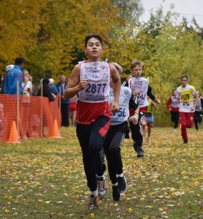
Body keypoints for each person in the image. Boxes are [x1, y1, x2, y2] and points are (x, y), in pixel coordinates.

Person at [64, 33, 121, 210]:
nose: (94, 47)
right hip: (83, 118)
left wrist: (116, 100)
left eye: (97, 44)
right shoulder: (79, 68)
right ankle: (94, 194)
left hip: (102, 114)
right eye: (90, 44)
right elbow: (66, 94)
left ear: (102, 49)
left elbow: (117, 81)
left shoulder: (109, 67)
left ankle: (101, 175)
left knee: (95, 146)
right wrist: (78, 87)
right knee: (87, 156)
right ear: (85, 49)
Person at [104, 62, 139, 201]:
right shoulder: (104, 91)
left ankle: (120, 174)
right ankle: (114, 185)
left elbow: (136, 106)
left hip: (121, 125)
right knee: (109, 157)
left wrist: (136, 115)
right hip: (106, 126)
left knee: (114, 148)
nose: (112, 77)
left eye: (115, 74)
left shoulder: (126, 90)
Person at [123, 59, 160, 157]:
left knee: (138, 123)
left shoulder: (145, 81)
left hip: (143, 105)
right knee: (134, 126)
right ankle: (135, 142)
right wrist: (131, 93)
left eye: (140, 69)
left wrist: (155, 99)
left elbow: (149, 92)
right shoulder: (128, 81)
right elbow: (122, 92)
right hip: (132, 106)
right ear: (131, 70)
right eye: (136, 70)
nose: (138, 71)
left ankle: (138, 146)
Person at [176, 74, 198, 144]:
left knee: (189, 125)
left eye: (185, 80)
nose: (183, 82)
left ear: (187, 81)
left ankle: (185, 132)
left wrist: (194, 106)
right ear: (180, 80)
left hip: (190, 108)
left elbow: (196, 96)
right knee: (183, 124)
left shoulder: (191, 88)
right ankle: (185, 139)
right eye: (182, 80)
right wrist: (177, 100)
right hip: (182, 108)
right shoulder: (178, 89)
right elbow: (177, 98)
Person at [21, 69, 33, 139]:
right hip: (21, 101)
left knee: (25, 118)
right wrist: (25, 83)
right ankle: (20, 133)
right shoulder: (20, 82)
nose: (26, 76)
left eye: (27, 74)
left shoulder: (29, 83)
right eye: (24, 74)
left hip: (27, 100)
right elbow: (20, 90)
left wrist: (30, 90)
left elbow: (30, 92)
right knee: (21, 117)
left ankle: (24, 133)